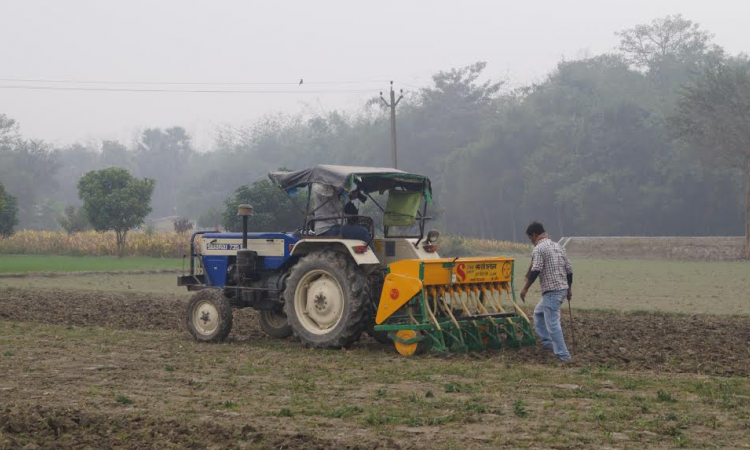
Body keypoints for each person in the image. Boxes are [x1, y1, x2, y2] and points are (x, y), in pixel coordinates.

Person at [520, 221, 573, 362]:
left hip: (552, 291)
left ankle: (564, 356)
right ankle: (548, 344)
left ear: (534, 235)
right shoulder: (559, 246)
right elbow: (569, 270)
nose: (531, 241)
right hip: (562, 289)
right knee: (538, 313)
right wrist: (569, 290)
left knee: (552, 323)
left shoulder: (539, 248)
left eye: (530, 238)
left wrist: (525, 288)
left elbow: (536, 269)